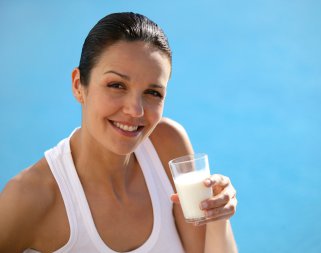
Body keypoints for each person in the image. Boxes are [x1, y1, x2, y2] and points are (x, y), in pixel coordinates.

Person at [0, 12, 238, 253]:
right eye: (116, 85)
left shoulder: (167, 144)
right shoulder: (31, 197)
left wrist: (218, 218)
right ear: (78, 85)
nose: (135, 110)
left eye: (153, 93)